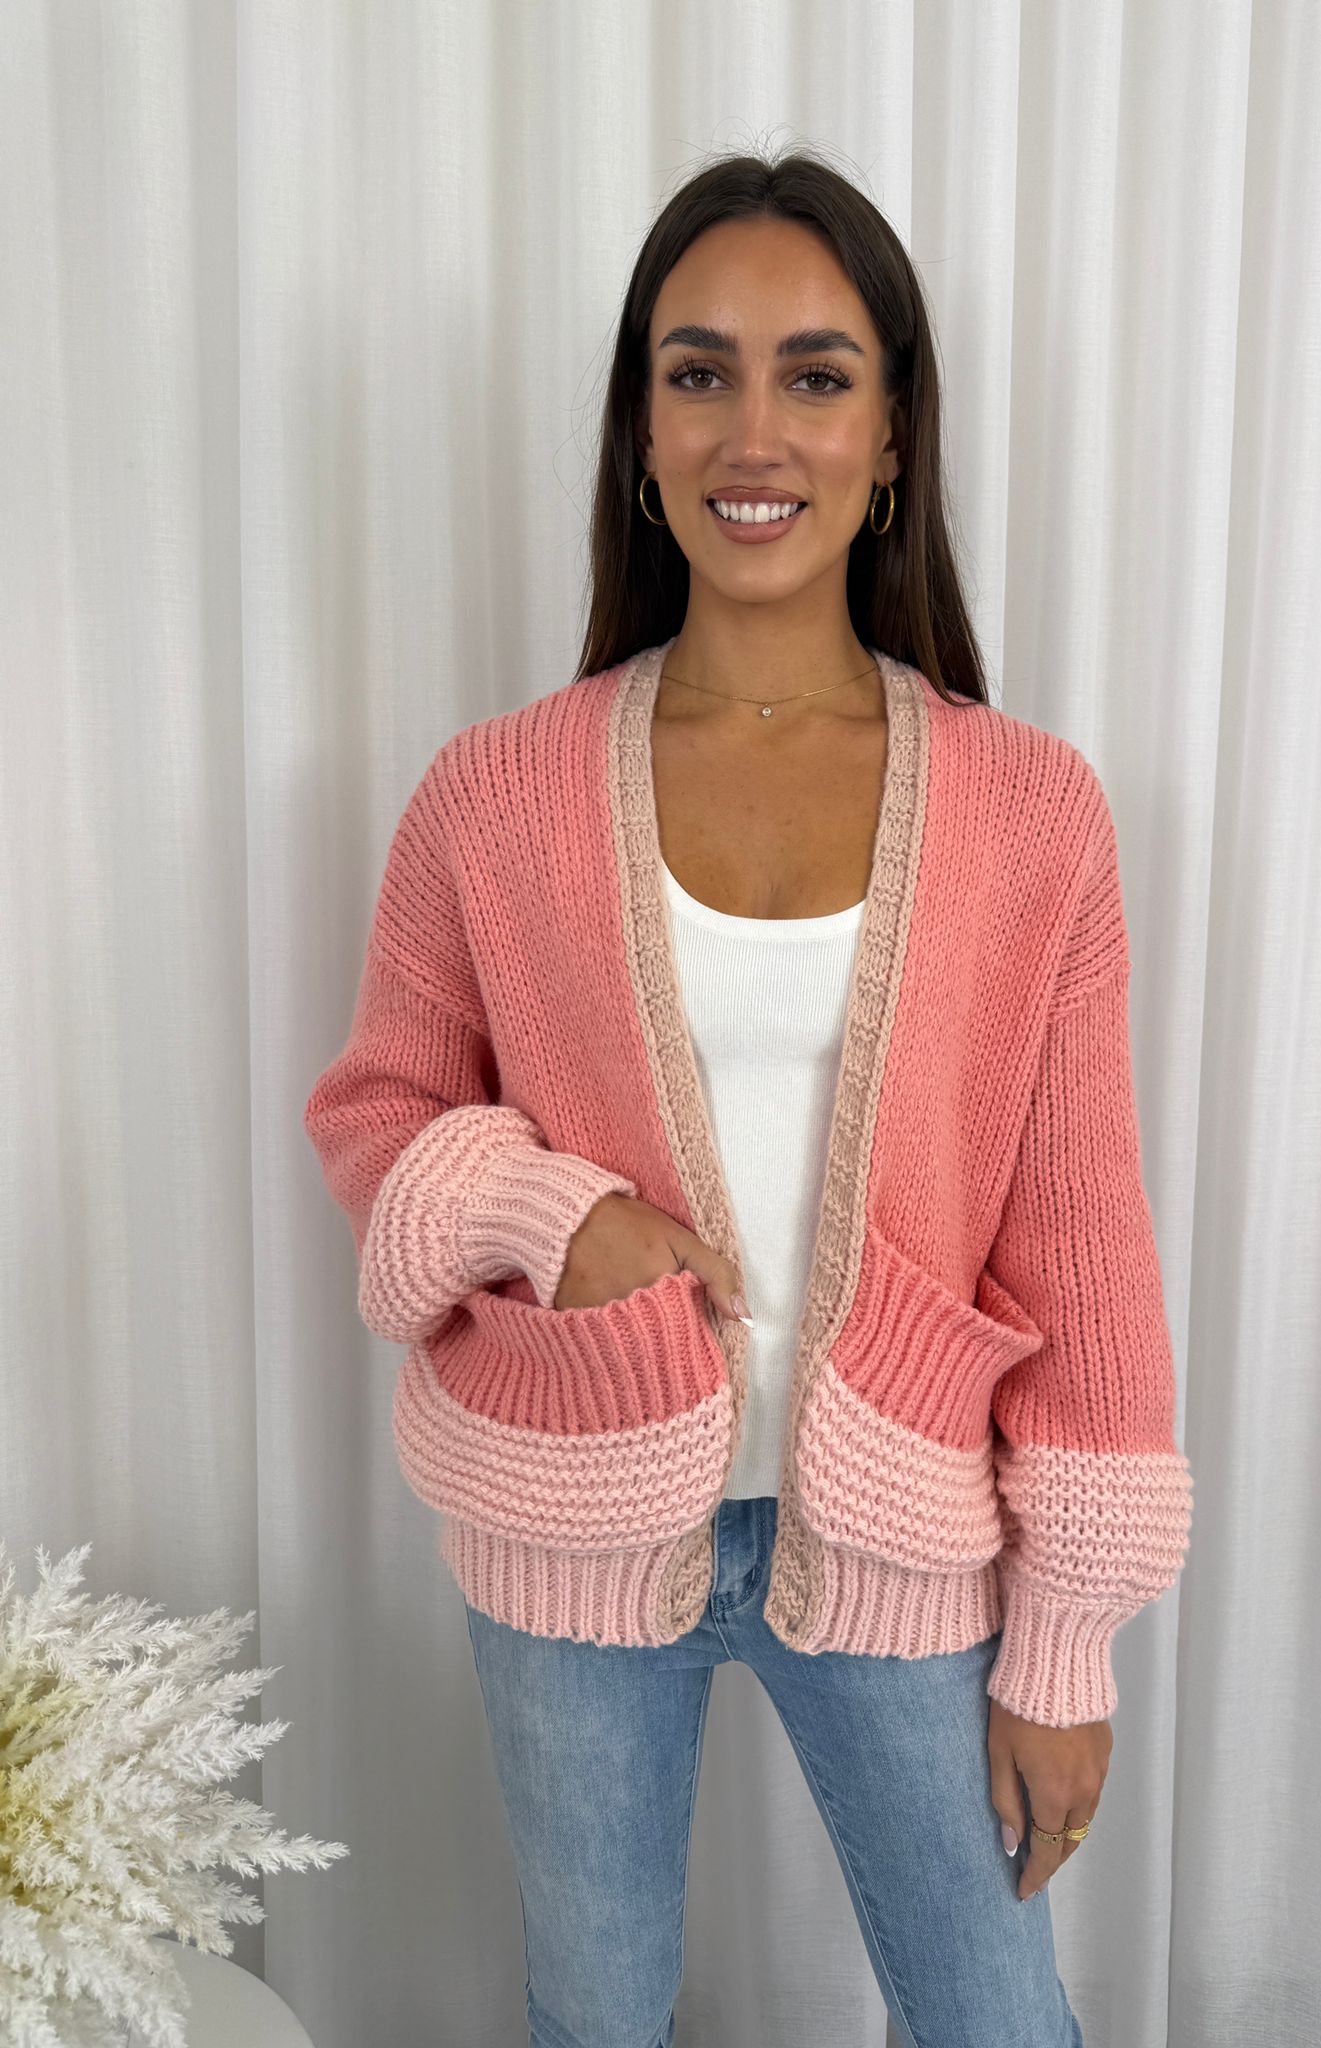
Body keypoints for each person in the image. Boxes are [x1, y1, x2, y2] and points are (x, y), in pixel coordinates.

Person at [304, 148, 1193, 2048]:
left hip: (900, 1533)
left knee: (994, 2014)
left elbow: (1085, 1242)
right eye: (698, 370)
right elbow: (379, 1117)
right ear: (641, 432)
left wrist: (1065, 1635)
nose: (752, 427)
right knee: (597, 2014)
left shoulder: (1033, 815)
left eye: (816, 373)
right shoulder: (497, 792)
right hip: (566, 1512)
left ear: (891, 438)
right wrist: (558, 1216)